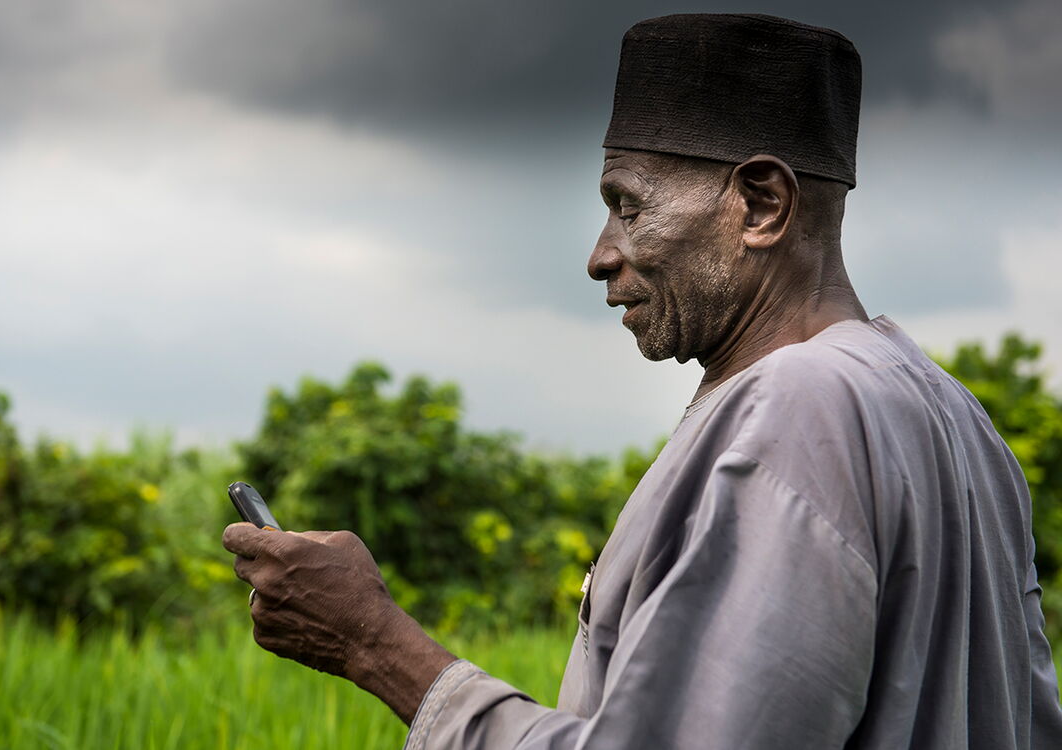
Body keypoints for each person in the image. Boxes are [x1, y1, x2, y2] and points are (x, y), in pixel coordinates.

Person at [222, 13, 1062, 748]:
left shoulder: (799, 409)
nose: (601, 255)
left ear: (762, 205)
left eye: (628, 205)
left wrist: (377, 645)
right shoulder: (956, 418)